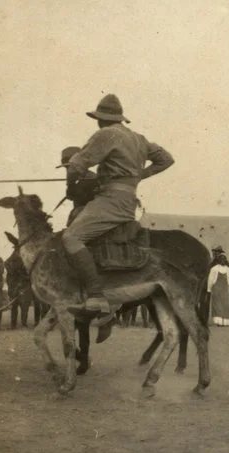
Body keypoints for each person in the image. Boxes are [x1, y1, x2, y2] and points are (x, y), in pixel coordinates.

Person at [60, 94, 174, 317]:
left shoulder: (105, 134)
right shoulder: (138, 138)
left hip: (111, 200)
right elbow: (167, 159)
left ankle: (95, 296)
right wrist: (140, 175)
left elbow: (75, 166)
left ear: (100, 119)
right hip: (127, 200)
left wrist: (72, 183)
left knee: (71, 238)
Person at [56, 146, 101, 226]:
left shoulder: (91, 180)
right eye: (66, 167)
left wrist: (70, 184)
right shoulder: (78, 180)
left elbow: (74, 196)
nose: (68, 170)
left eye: (70, 167)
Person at [206, 251, 229, 326]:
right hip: (216, 289)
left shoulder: (228, 270)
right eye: (221, 259)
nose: (222, 261)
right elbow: (210, 279)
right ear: (218, 260)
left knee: (225, 304)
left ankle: (225, 322)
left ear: (226, 260)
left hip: (224, 290)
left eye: (224, 259)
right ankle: (219, 322)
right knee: (217, 305)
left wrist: (228, 289)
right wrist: (209, 289)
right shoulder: (214, 269)